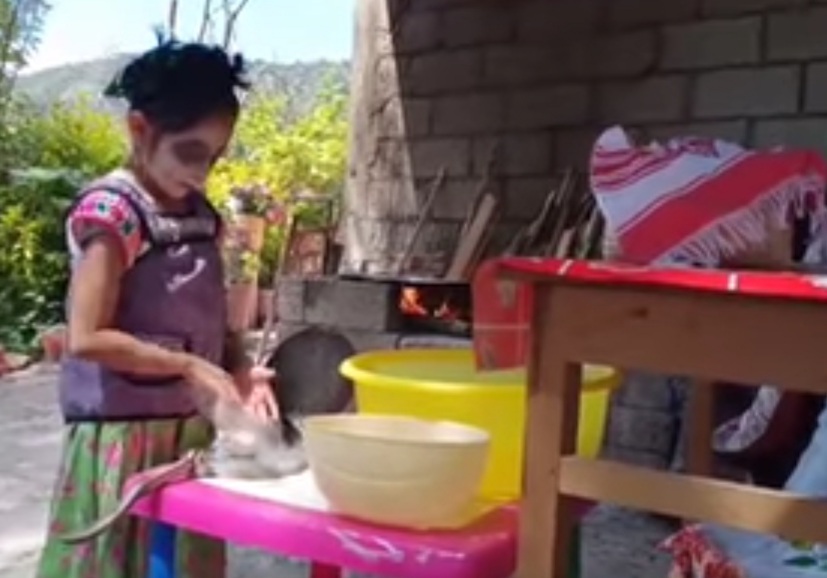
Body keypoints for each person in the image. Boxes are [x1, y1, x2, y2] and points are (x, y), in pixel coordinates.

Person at [36, 39, 278, 578]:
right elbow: (86, 337)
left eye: (214, 157)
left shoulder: (201, 217)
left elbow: (213, 318)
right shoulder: (114, 215)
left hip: (185, 438)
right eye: (190, 153)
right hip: (120, 443)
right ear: (140, 130)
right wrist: (189, 366)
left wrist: (239, 368)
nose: (202, 172)